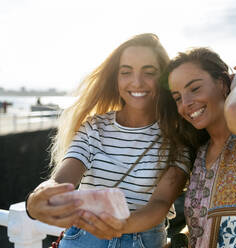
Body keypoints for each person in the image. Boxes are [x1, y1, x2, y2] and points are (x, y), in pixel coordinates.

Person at [26, 33, 190, 248]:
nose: (137, 82)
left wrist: (122, 226)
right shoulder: (95, 126)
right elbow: (61, 181)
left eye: (149, 72)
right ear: (116, 78)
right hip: (84, 239)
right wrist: (36, 200)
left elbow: (160, 203)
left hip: (143, 241)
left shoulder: (178, 137)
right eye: (126, 72)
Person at [158, 48, 236, 247]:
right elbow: (202, 224)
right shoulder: (200, 153)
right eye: (177, 97)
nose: (186, 103)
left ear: (221, 83)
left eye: (194, 88)